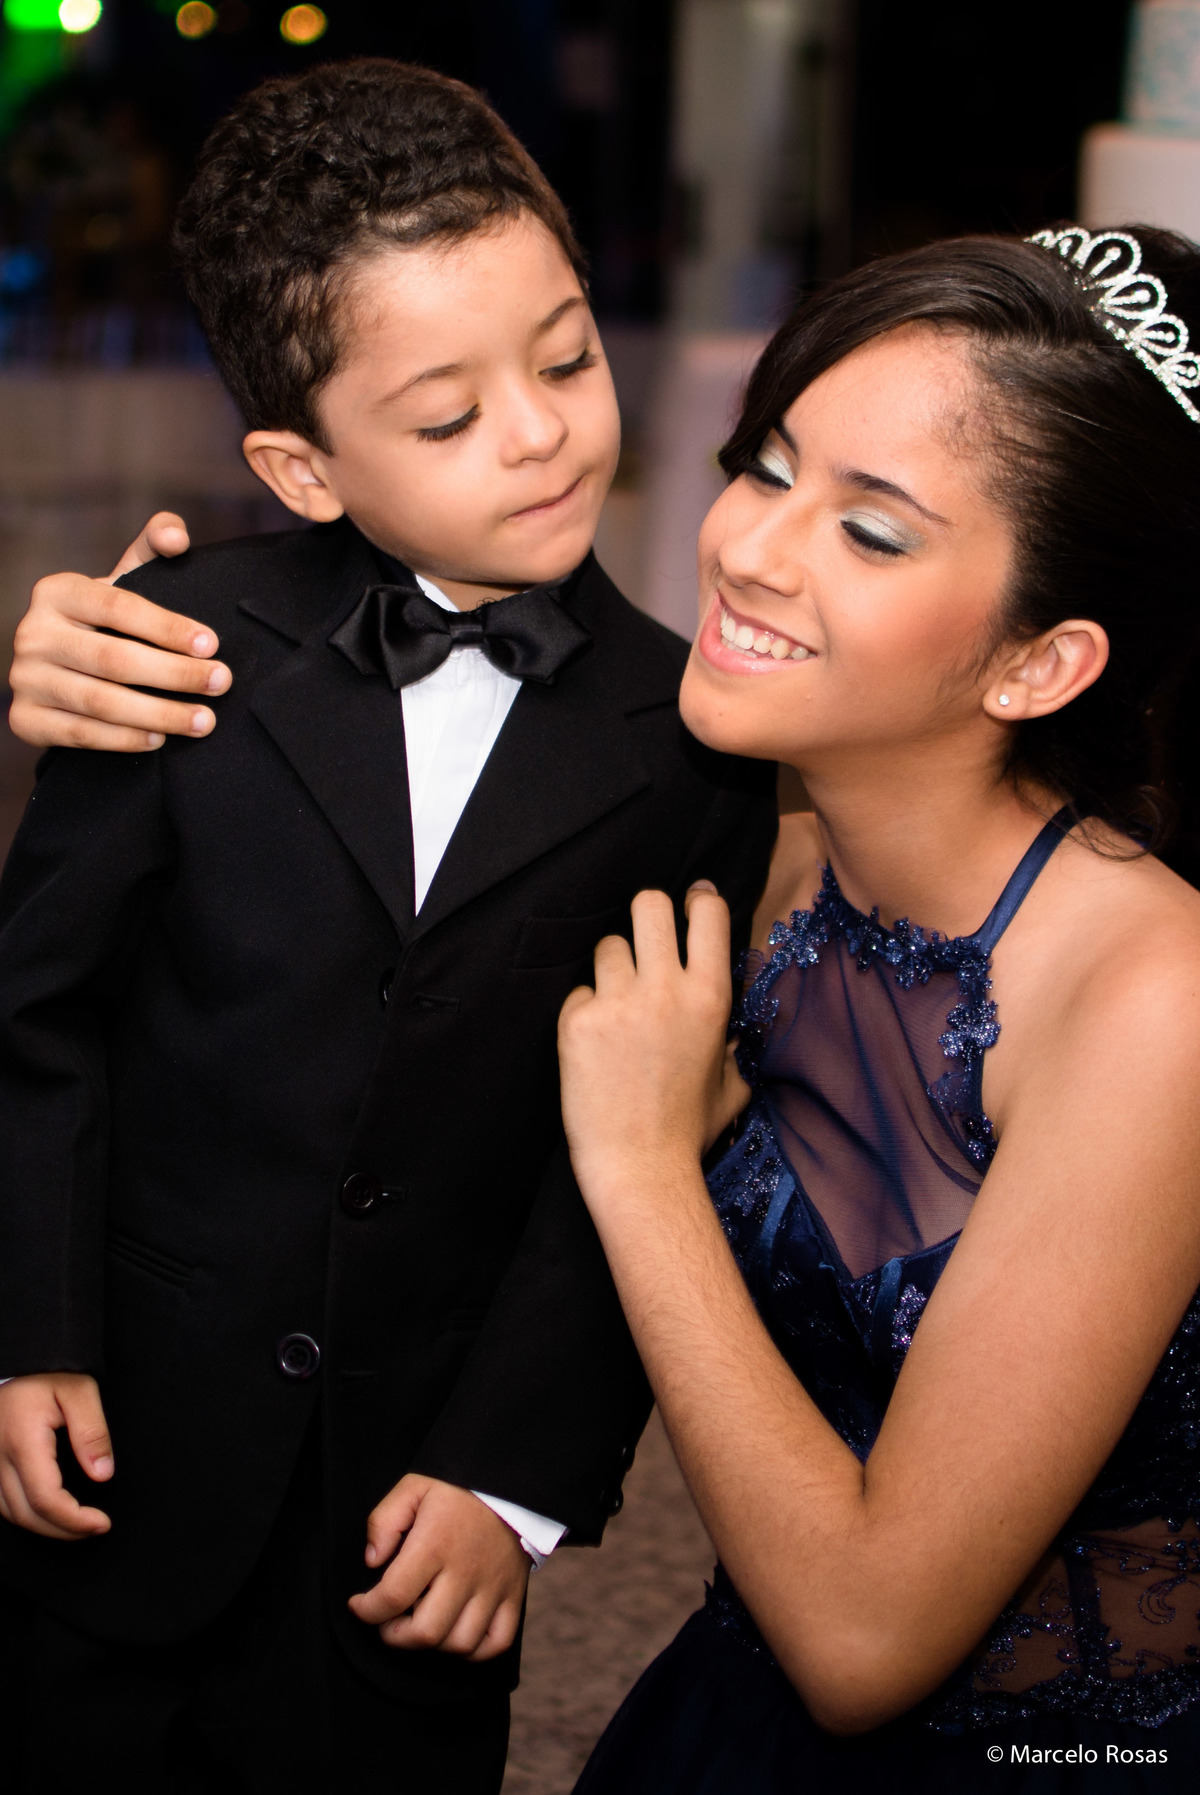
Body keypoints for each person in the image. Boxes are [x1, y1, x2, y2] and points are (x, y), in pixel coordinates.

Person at [0, 59, 776, 1793]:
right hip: (118, 1444)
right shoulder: (168, 648)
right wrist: (25, 1327)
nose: (540, 432)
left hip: (412, 1511)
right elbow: (35, 1018)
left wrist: (513, 1475)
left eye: (565, 359)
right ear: (303, 468)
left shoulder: (694, 744)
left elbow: (634, 1158)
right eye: (443, 417)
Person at [552, 227, 1200, 1790]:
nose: (751, 549)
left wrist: (642, 1169)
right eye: (767, 468)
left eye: (872, 532)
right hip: (732, 1703)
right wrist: (149, 646)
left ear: (1041, 662)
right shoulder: (766, 873)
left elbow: (864, 1642)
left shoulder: (1153, 1000)